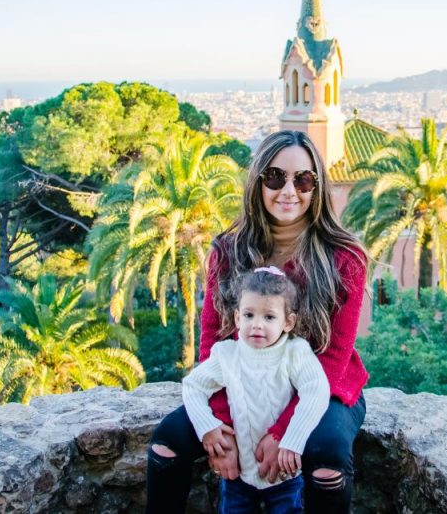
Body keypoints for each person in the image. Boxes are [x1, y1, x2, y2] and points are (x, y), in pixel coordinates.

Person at [146, 130, 370, 514]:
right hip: (242, 381)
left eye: (303, 180)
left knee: (327, 458)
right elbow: (212, 342)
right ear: (257, 183)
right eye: (275, 177)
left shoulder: (343, 258)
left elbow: (332, 358)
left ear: (317, 187)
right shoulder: (229, 251)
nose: (288, 191)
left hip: (321, 387)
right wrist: (218, 424)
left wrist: (283, 431)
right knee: (166, 444)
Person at [181, 267, 330, 514]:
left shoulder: (295, 352)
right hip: (239, 476)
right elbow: (193, 385)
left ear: (288, 322)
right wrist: (206, 426)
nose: (256, 325)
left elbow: (317, 391)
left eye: (269, 317)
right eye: (249, 315)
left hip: (285, 474)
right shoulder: (227, 355)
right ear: (237, 318)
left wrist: (292, 440)